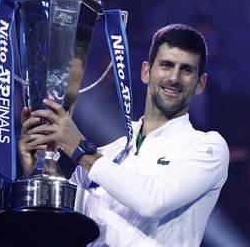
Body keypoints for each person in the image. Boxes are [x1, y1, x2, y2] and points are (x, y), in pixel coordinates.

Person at [19, 24, 229, 246]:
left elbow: (153, 202)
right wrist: (38, 169)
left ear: (200, 83)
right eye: (166, 65)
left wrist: (79, 148)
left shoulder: (207, 147)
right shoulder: (106, 154)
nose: (174, 78)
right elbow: (58, 223)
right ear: (146, 72)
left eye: (186, 70)